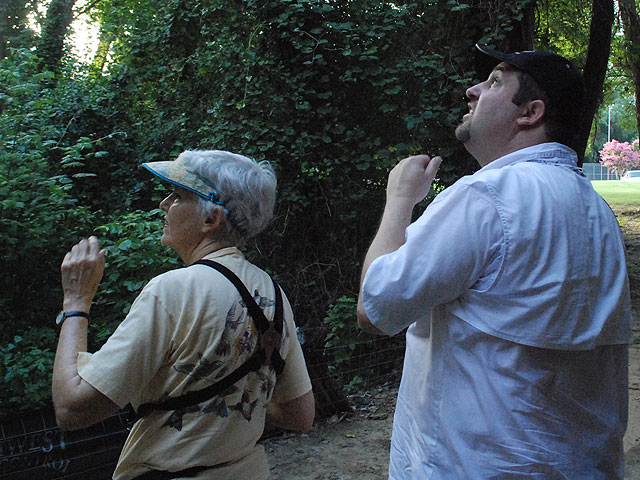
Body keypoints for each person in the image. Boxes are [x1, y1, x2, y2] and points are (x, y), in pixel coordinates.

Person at [357, 44, 632, 478]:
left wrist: (399, 200)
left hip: (476, 465)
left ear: (530, 113)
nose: (473, 90)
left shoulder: (485, 197)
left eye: (495, 82)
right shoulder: (594, 210)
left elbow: (376, 308)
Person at [52, 150, 315, 480]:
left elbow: (72, 408)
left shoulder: (172, 291)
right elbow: (300, 414)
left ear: (210, 220)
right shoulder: (272, 293)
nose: (164, 204)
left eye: (177, 196)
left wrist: (76, 303)